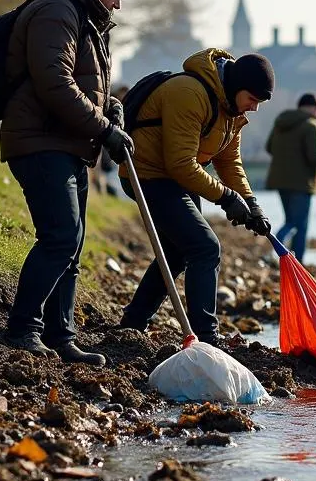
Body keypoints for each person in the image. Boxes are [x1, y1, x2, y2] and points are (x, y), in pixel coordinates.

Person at [0, 0, 136, 364]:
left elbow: (86, 85)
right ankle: (24, 328)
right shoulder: (56, 11)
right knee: (59, 237)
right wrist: (103, 129)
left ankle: (62, 336)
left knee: (72, 245)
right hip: (41, 140)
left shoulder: (87, 19)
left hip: (68, 143)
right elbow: (55, 83)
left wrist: (110, 107)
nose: (117, 5)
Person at [117, 49, 274, 344]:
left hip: (178, 176)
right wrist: (227, 198)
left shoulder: (232, 110)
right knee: (204, 248)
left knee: (177, 251)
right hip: (148, 175)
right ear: (238, 87)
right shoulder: (189, 92)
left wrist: (251, 203)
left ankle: (133, 323)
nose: (254, 108)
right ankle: (207, 338)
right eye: (252, 99)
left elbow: (229, 162)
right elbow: (180, 164)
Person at [264, 92, 316, 262]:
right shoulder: (311, 125)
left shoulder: (281, 122)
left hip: (280, 180)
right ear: (311, 108)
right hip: (302, 182)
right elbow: (315, 156)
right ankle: (293, 259)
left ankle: (284, 255)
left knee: (291, 220)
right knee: (299, 225)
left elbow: (269, 147)